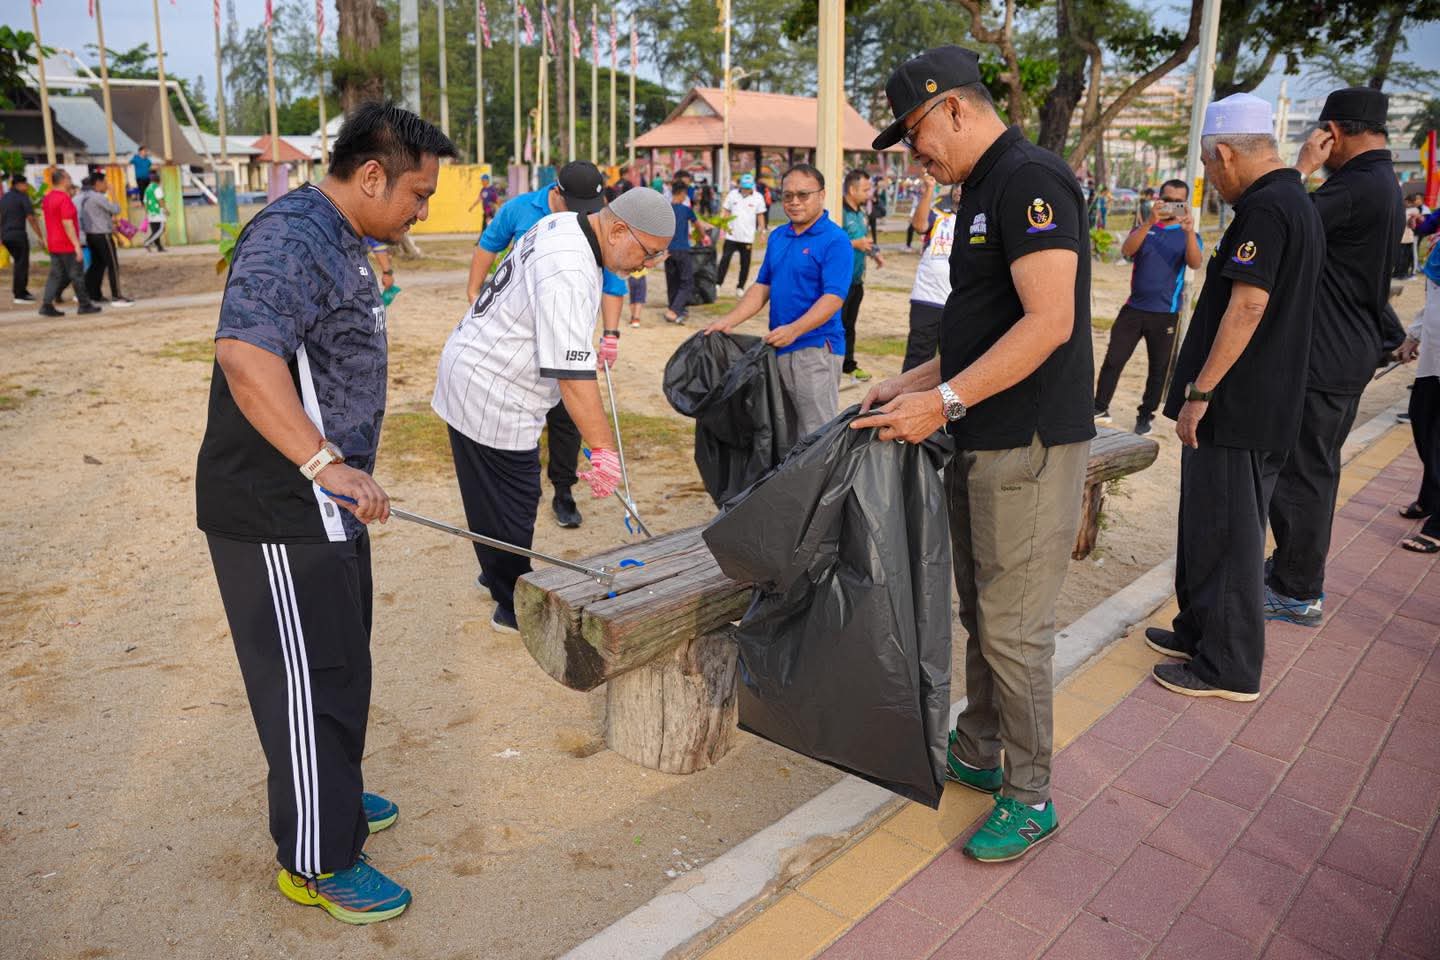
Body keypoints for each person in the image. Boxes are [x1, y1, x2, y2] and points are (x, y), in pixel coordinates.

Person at [196, 101, 457, 924]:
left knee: (340, 667)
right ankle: (318, 858)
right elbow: (245, 356)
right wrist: (323, 462)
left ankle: (331, 795)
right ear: (372, 175)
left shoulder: (341, 236)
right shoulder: (292, 235)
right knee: (308, 687)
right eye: (418, 194)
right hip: (280, 509)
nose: (421, 212)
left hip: (326, 508)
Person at [855, 45, 1095, 864]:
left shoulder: (1029, 180)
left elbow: (1049, 322)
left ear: (954, 107)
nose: (913, 156)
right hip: (982, 433)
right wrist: (910, 383)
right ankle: (982, 745)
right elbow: (981, 328)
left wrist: (942, 402)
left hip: (1027, 442)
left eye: (914, 134)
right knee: (985, 614)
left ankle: (1030, 795)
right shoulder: (981, 188)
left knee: (1016, 629)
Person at [1144, 94, 1325, 702]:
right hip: (1257, 401)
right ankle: (1198, 630)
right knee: (1207, 525)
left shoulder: (1268, 208)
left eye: (1208, 167)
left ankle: (1228, 666)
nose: (1211, 180)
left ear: (1224, 153)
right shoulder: (1289, 200)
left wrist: (1201, 392)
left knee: (1229, 535)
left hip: (1239, 404)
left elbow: (1248, 306)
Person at [431, 188, 675, 631]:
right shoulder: (569, 266)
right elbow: (573, 377)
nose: (647, 266)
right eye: (648, 253)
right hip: (492, 388)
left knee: (493, 494)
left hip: (481, 367)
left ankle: (494, 568)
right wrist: (604, 451)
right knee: (513, 499)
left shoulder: (565, 224)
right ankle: (511, 604)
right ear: (618, 230)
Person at [1265, 88, 1405, 625]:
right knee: (1312, 469)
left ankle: (1296, 590)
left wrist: (1299, 169)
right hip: (1346, 346)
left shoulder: (1355, 186)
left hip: (1327, 352)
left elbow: (1282, 224)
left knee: (1303, 474)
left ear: (1334, 132)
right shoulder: (1381, 181)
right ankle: (1292, 572)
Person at [463, 159, 625, 530]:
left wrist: (611, 334)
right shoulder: (520, 209)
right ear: (556, 192)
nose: (584, 213)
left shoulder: (595, 220)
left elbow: (613, 281)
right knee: (521, 421)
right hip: (521, 341)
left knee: (568, 418)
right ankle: (523, 490)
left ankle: (563, 490)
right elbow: (488, 245)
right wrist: (474, 291)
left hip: (566, 335)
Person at [702, 164, 851, 439]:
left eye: (803, 195)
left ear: (822, 195)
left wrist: (795, 329)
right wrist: (728, 321)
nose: (794, 202)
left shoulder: (836, 240)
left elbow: (833, 298)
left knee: (816, 435)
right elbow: (762, 287)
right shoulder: (778, 236)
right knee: (784, 433)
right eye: (788, 195)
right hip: (778, 346)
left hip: (816, 349)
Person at [1093, 178, 1202, 434]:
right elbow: (1127, 250)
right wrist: (1149, 222)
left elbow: (1195, 263)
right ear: (1158, 199)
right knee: (1114, 359)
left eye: (1178, 202)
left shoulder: (1190, 235)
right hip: (1133, 309)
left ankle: (1145, 416)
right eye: (1167, 199)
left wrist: (1188, 232)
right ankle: (1099, 407)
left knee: (1158, 369)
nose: (1171, 205)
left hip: (1165, 314)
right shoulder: (1145, 228)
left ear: (1185, 204)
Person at [1397, 205, 1440, 552]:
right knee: (1422, 420)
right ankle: (1430, 497)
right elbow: (1433, 297)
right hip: (1433, 355)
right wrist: (1413, 335)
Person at [903, 173, 960, 372]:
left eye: (965, 185)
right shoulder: (939, 215)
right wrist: (928, 190)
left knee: (954, 362)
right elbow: (919, 226)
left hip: (958, 302)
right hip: (927, 297)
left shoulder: (979, 222)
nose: (960, 190)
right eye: (957, 186)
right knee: (917, 359)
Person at [841, 168, 885, 383]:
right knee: (837, 325)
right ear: (852, 189)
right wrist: (853, 244)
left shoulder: (860, 213)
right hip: (840, 282)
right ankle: (832, 364)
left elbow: (864, 239)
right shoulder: (839, 212)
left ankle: (848, 365)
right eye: (865, 190)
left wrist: (874, 253)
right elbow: (830, 243)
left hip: (857, 280)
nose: (869, 194)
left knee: (850, 325)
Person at [39, 170, 100, 318]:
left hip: (54, 243)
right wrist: (77, 246)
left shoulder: (47, 198)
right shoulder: (64, 199)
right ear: (63, 180)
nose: (71, 180)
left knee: (55, 275)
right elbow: (67, 223)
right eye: (69, 177)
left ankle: (46, 305)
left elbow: (46, 220)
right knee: (76, 275)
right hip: (66, 243)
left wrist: (46, 239)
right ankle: (84, 305)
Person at [78, 171, 133, 306]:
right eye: (105, 182)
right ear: (98, 183)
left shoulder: (84, 196)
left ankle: (93, 294)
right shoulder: (98, 197)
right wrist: (113, 193)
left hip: (91, 235)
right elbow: (116, 210)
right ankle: (116, 296)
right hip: (102, 235)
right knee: (112, 265)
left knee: (97, 265)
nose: (107, 185)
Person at [717, 172, 767, 293]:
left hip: (747, 237)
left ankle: (740, 287)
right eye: (744, 187)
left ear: (752, 186)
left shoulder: (758, 197)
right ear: (740, 185)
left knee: (745, 263)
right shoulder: (732, 194)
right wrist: (722, 227)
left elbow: (760, 215)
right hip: (731, 235)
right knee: (724, 260)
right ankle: (718, 284)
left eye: (748, 188)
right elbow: (726, 211)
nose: (746, 190)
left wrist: (762, 232)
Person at [1, 174, 43, 303]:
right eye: (25, 184)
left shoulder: (4, 197)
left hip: (5, 235)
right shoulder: (23, 197)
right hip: (18, 234)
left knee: (19, 263)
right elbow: (31, 218)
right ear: (18, 185)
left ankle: (21, 291)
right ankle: (19, 294)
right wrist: (40, 236)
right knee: (22, 264)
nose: (27, 187)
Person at [664, 184, 699, 323]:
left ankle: (673, 307)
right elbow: (698, 225)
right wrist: (703, 236)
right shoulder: (686, 210)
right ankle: (674, 311)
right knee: (687, 282)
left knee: (672, 281)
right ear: (682, 194)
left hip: (668, 250)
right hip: (682, 249)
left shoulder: (666, 209)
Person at [142, 171, 167, 252]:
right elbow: (160, 200)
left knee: (155, 231)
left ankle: (159, 247)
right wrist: (165, 209)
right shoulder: (157, 188)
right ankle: (147, 242)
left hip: (150, 212)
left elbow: (145, 202)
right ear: (158, 181)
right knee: (161, 229)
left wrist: (146, 213)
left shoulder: (147, 189)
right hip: (157, 212)